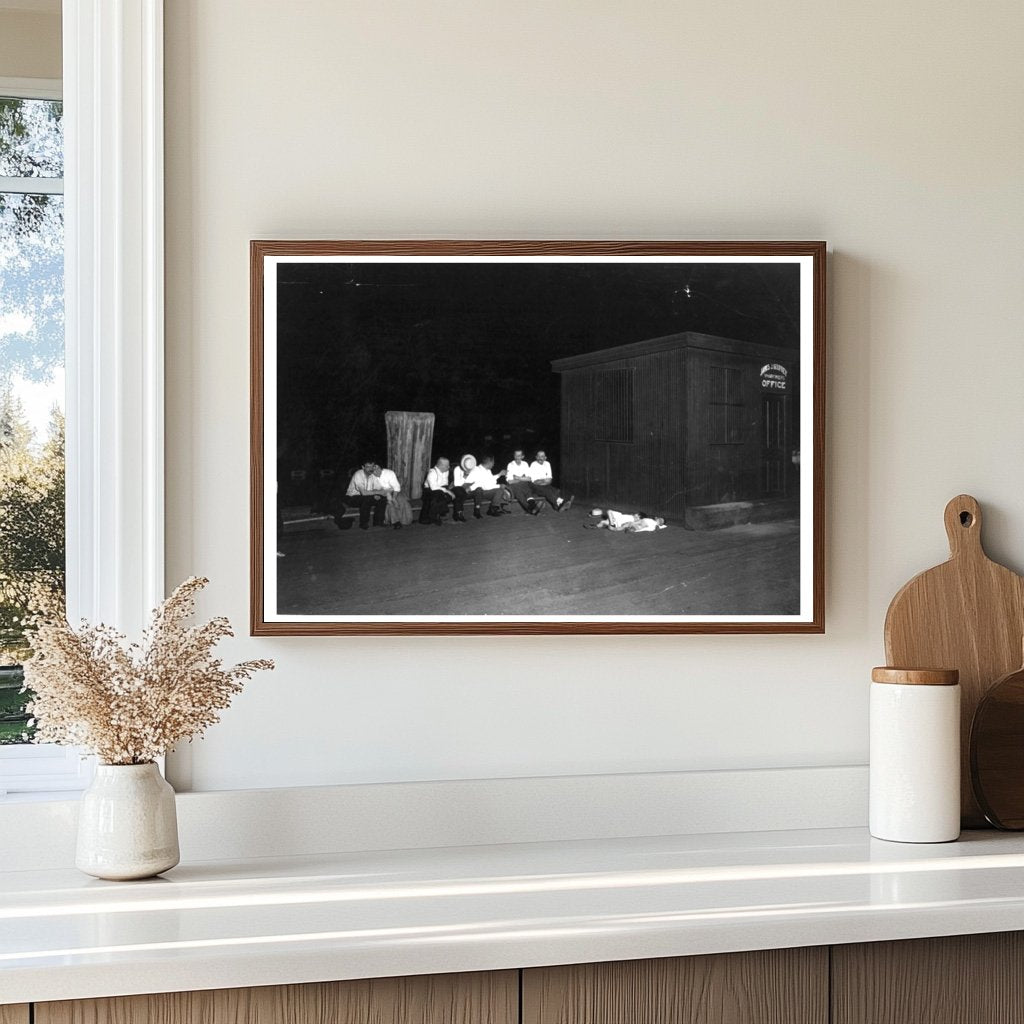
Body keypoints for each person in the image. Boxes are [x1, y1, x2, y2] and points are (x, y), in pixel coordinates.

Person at [341, 461, 388, 530]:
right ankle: (363, 523)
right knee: (366, 499)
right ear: (363, 467)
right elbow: (363, 493)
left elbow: (379, 488)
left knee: (382, 499)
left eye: (372, 466)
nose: (371, 469)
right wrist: (377, 493)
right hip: (351, 497)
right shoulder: (358, 474)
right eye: (368, 467)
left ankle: (378, 522)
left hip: (367, 496)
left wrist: (377, 493)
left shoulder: (373, 475)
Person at [526, 450, 573, 514]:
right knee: (547, 491)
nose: (540, 458)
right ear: (536, 457)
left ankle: (558, 506)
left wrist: (545, 481)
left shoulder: (547, 464)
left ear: (545, 458)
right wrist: (545, 480)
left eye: (542, 456)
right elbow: (535, 481)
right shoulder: (533, 464)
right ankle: (561, 503)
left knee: (554, 490)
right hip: (534, 486)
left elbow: (550, 479)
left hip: (544, 485)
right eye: (538, 456)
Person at [372, 463, 412, 529]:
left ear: (381, 468)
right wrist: (389, 497)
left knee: (402, 500)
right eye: (374, 469)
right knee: (389, 504)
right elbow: (374, 489)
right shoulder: (371, 476)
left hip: (394, 491)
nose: (376, 470)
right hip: (381, 493)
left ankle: (405, 521)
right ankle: (396, 522)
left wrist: (394, 498)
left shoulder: (389, 473)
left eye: (378, 468)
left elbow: (396, 486)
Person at [419, 457, 455, 525]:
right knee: (438, 495)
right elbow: (433, 488)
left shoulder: (446, 472)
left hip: (440, 490)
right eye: (447, 465)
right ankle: (437, 515)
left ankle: (434, 516)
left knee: (445, 496)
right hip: (429, 491)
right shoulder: (432, 473)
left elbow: (445, 484)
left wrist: (448, 490)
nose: (449, 467)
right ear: (440, 466)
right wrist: (447, 491)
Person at [586, 508, 667, 531]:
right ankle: (594, 526)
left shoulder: (633, 519)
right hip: (617, 519)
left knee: (609, 511)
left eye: (637, 515)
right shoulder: (631, 517)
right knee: (603, 521)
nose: (635, 514)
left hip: (616, 522)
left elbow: (639, 525)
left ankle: (611, 524)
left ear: (638, 517)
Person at [450, 454, 477, 522]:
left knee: (462, 493)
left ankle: (457, 514)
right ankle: (459, 513)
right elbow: (457, 484)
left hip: (468, 488)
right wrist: (465, 476)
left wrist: (470, 487)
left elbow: (476, 481)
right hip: (456, 488)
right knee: (460, 492)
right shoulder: (457, 469)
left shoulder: (473, 469)